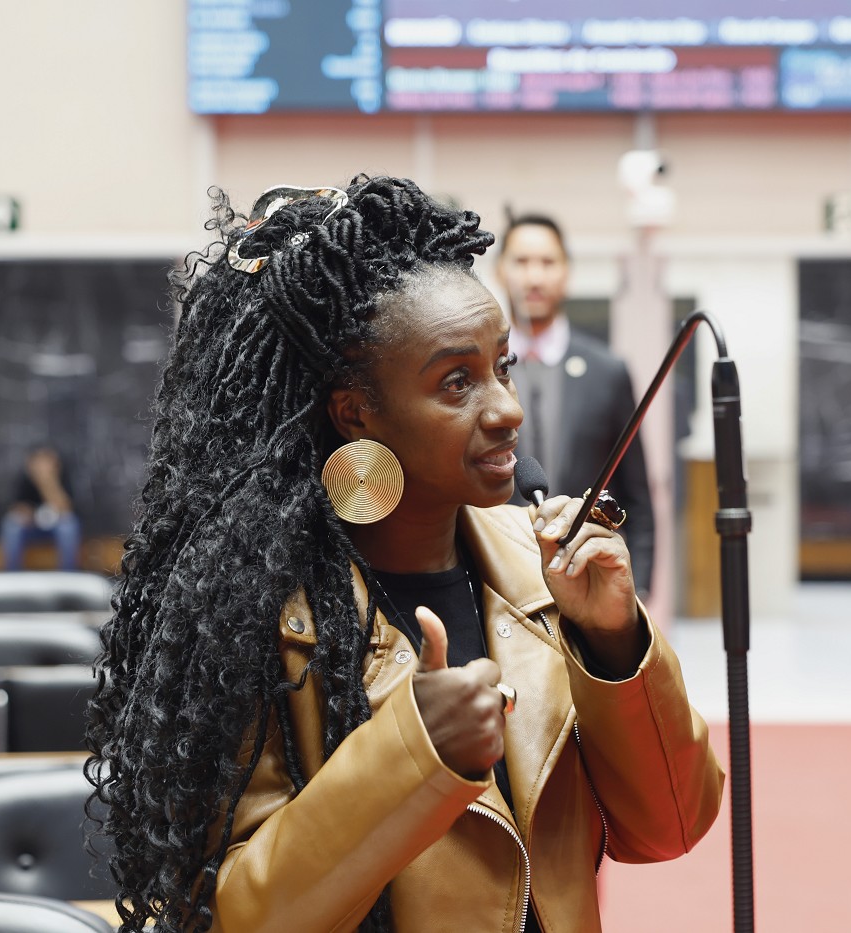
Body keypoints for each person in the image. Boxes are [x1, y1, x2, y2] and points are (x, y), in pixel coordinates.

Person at [85, 177, 723, 933]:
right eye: (457, 382)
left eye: (503, 366)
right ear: (356, 413)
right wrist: (413, 753)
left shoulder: (544, 574)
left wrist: (616, 644)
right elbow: (237, 916)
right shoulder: (261, 614)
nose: (508, 408)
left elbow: (672, 826)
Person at [495, 214, 657, 597]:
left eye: (547, 262)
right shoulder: (480, 368)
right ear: (500, 270)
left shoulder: (607, 372)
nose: (534, 277)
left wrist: (638, 592)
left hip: (588, 577)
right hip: (498, 578)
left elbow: (637, 494)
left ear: (567, 272)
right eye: (521, 262)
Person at [0, 445, 81, 570]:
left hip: (55, 528)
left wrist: (47, 482)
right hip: (31, 528)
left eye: (46, 461)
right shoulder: (23, 479)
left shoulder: (64, 477)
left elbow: (65, 509)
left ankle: (68, 574)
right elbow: (15, 507)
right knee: (11, 525)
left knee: (68, 525)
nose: (42, 466)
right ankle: (12, 574)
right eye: (38, 461)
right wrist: (27, 514)